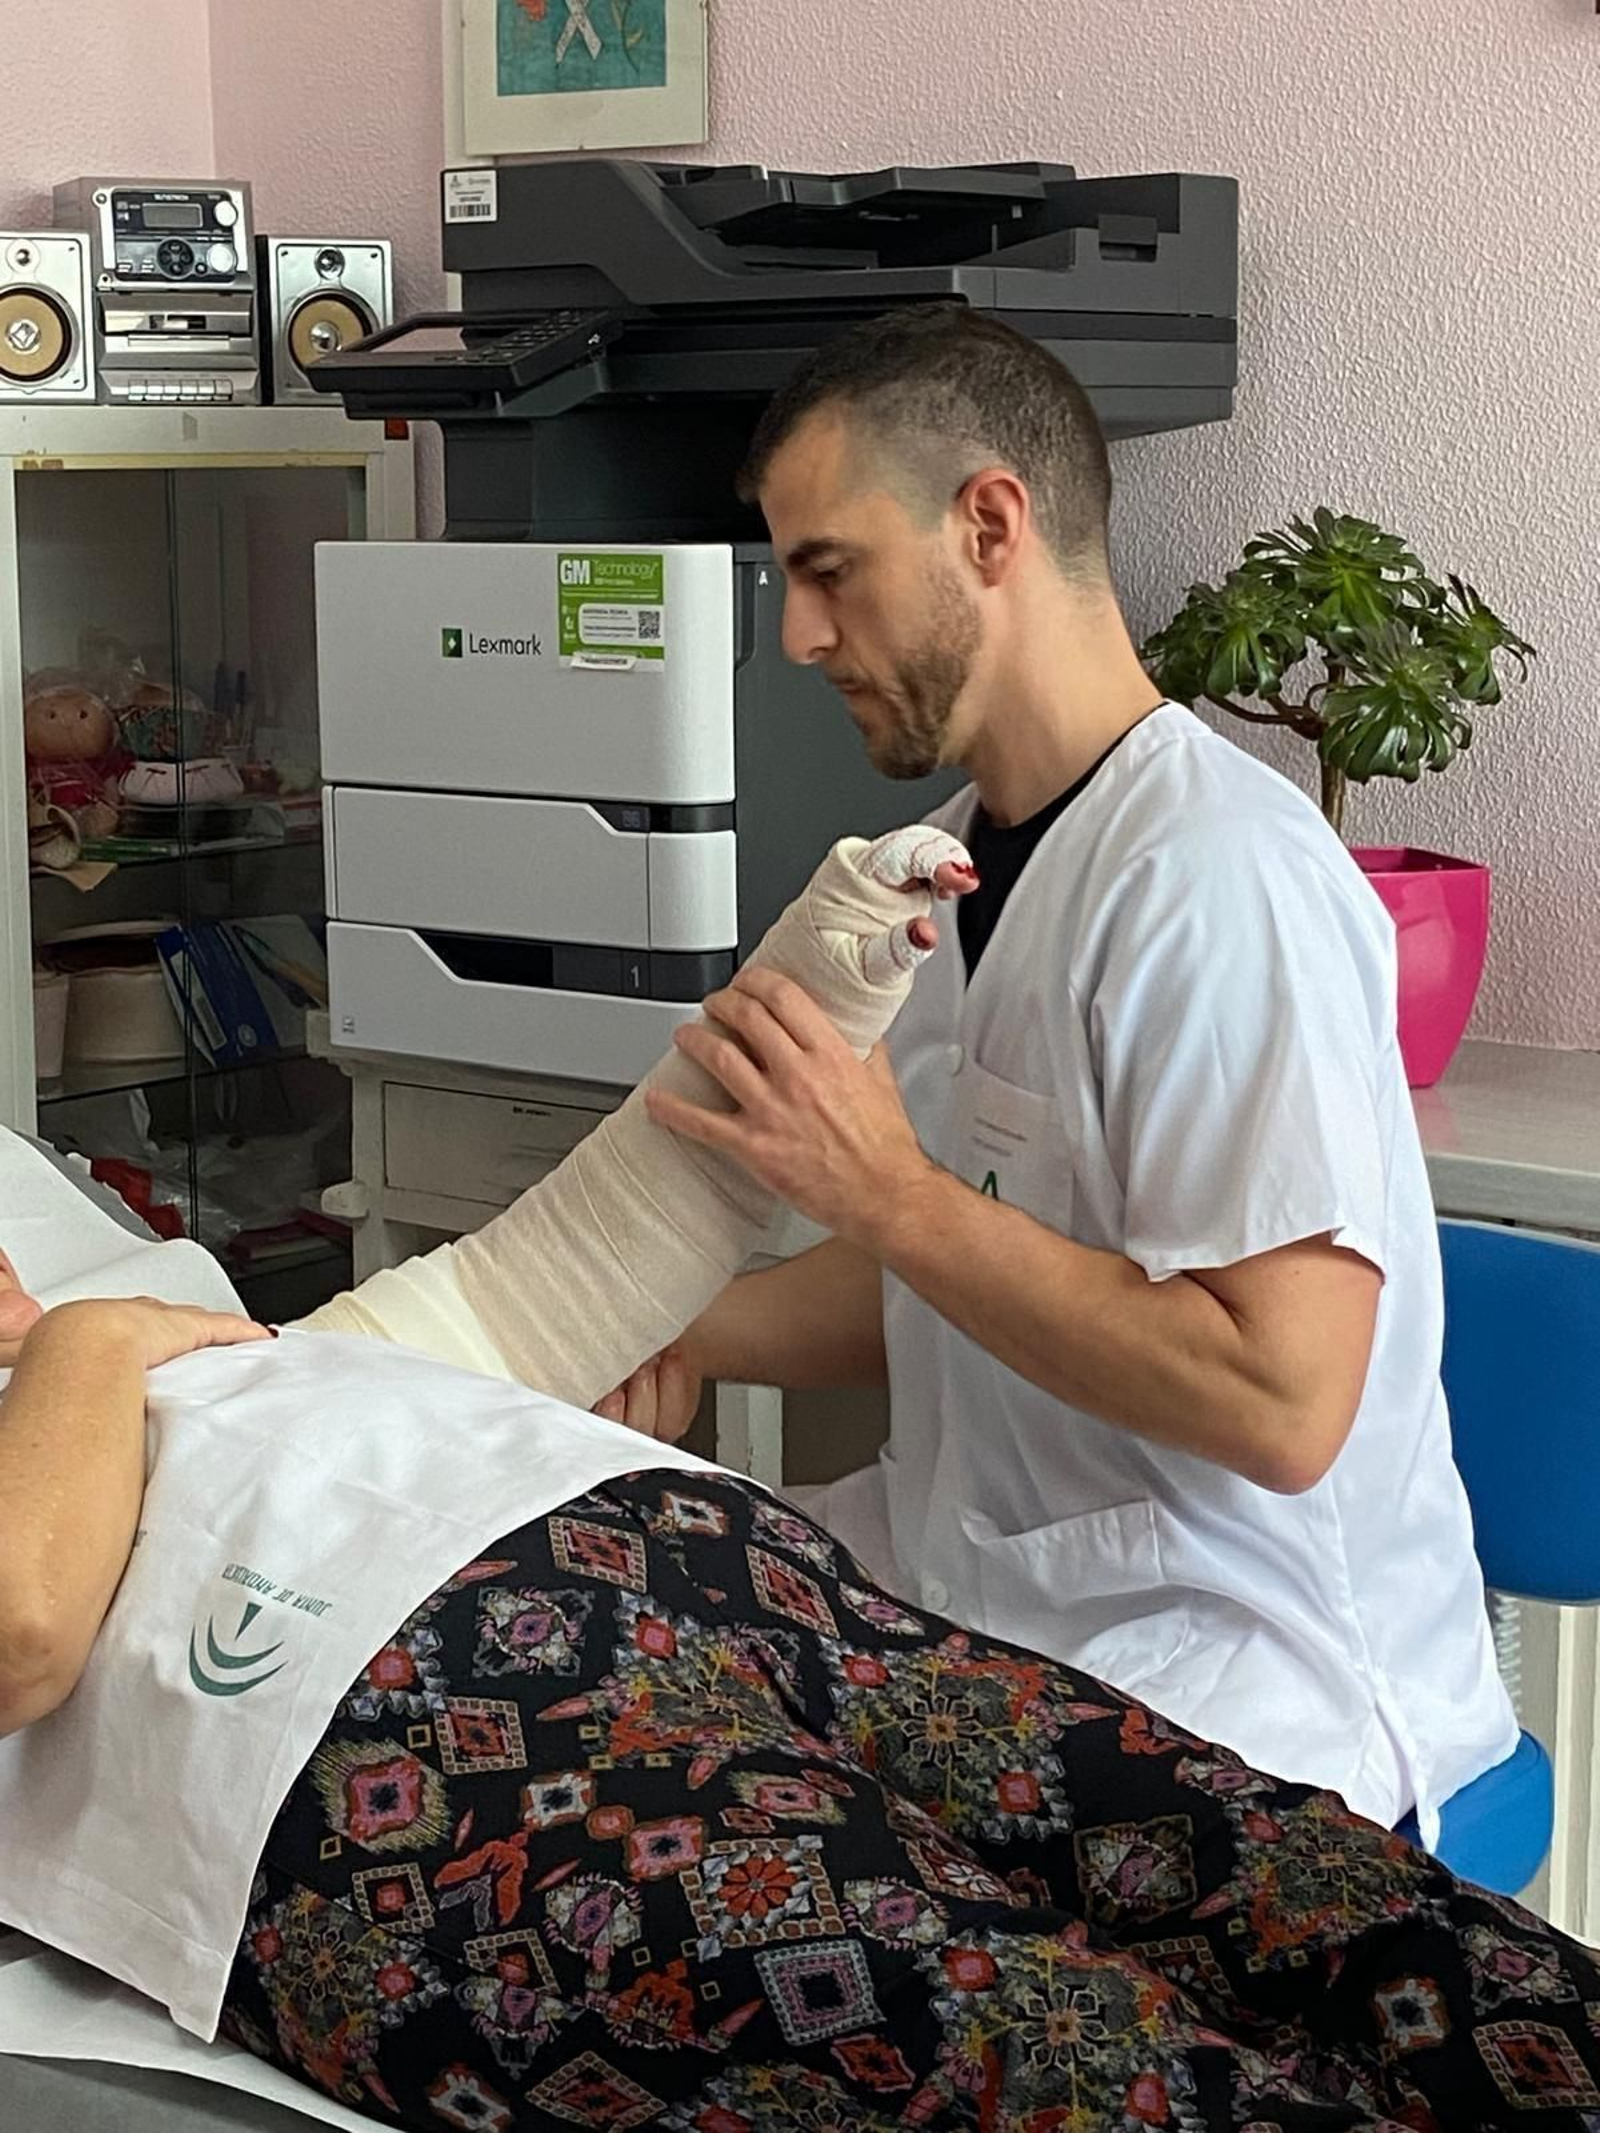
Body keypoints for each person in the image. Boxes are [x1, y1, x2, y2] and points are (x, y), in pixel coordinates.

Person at [612, 303, 1516, 1850]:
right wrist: (688, 1326)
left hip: (1241, 1671)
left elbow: (1284, 1398)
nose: (799, 637)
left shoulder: (1220, 881)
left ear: (988, 524)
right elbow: (966, 1261)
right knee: (594, 1651)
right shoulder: (965, 870)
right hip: (1006, 1595)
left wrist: (887, 1195)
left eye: (827, 572)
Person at [6, 1257, 1600, 2132]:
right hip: (385, 1753)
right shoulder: (99, 1330)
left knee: (1272, 1862)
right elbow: (21, 1622)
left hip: (685, 1551)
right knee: (1033, 2045)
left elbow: (556, 1261)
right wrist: (80, 1346)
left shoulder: (138, 1291)